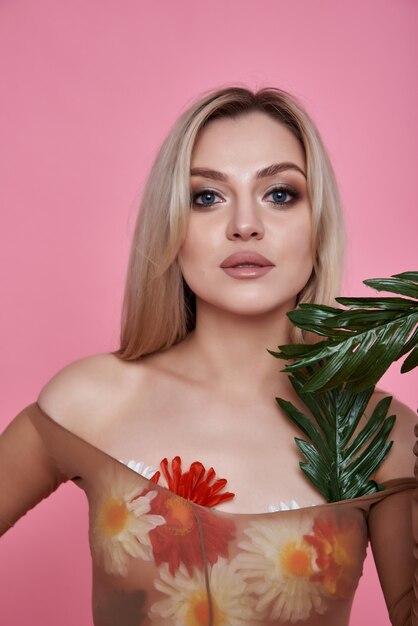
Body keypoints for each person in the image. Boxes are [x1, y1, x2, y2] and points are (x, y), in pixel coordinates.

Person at [0, 87, 416, 625]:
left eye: (280, 194)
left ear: (318, 225)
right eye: (207, 197)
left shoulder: (381, 434)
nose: (245, 224)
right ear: (172, 226)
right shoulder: (93, 400)